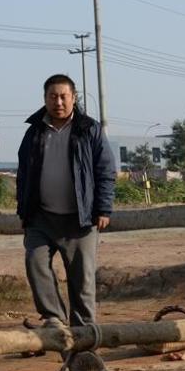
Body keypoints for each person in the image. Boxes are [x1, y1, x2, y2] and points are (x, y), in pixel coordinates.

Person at [16, 74, 115, 330]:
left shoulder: (89, 129)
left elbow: (105, 170)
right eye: (52, 96)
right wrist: (23, 212)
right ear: (45, 99)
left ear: (73, 98)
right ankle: (54, 319)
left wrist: (103, 208)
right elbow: (23, 174)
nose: (58, 101)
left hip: (80, 219)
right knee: (35, 263)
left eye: (63, 96)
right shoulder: (34, 132)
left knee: (82, 280)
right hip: (41, 218)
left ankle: (83, 334)